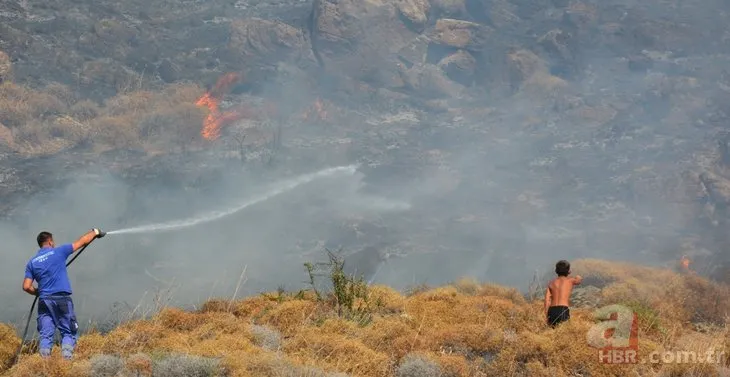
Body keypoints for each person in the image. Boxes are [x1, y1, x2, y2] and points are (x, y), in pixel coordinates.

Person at [22, 228, 106, 359]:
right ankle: (66, 362)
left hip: (44, 301)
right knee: (68, 332)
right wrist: (95, 232)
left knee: (45, 334)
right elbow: (82, 242)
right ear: (50, 242)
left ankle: (45, 364)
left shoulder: (32, 263)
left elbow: (26, 286)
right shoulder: (58, 251)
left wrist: (38, 292)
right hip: (61, 300)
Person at [544, 260, 582, 327]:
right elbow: (579, 280)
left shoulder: (551, 283)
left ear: (556, 271)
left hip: (552, 310)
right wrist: (577, 275)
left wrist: (547, 315)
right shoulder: (570, 280)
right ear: (568, 271)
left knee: (552, 334)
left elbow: (547, 300)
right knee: (564, 334)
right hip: (562, 310)